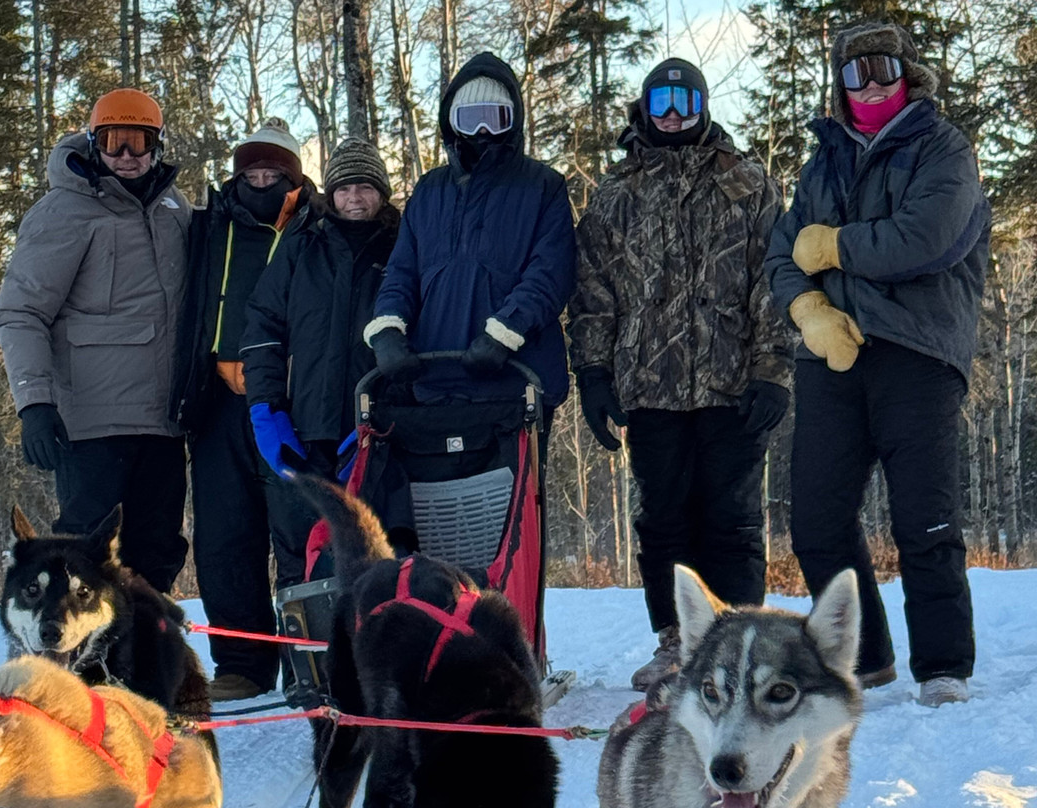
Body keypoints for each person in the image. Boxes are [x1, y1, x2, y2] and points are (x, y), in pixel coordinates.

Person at [766, 22, 990, 707]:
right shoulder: (821, 162)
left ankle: (943, 666)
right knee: (816, 522)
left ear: (906, 71)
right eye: (855, 73)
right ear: (838, 84)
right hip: (832, 356)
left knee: (923, 519)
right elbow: (782, 252)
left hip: (917, 351)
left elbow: (927, 237)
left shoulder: (942, 147)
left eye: (882, 67)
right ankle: (865, 658)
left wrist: (834, 247)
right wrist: (807, 310)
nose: (870, 84)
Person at [568, 58, 790, 692]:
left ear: (703, 106)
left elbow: (772, 281)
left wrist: (773, 369)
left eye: (684, 101)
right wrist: (593, 373)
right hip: (649, 386)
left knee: (733, 519)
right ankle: (677, 641)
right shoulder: (615, 192)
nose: (672, 113)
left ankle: (743, 639)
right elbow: (594, 292)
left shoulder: (747, 182)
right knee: (664, 518)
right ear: (644, 108)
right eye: (660, 101)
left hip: (733, 384)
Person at [0, 88, 191, 593]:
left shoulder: (175, 209)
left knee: (157, 550)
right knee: (84, 555)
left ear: (157, 145)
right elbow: (20, 311)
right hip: (93, 422)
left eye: (138, 142)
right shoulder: (65, 210)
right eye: (112, 142)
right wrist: (34, 402)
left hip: (165, 420)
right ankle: (73, 662)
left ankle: (143, 661)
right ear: (93, 143)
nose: (126, 156)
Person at [172, 119, 321, 701]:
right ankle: (241, 662)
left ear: (293, 175)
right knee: (224, 537)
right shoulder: (206, 228)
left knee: (297, 533)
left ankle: (308, 658)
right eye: (252, 171)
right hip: (216, 404)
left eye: (273, 171)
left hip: (288, 401)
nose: (261, 179)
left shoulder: (315, 225)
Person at [362, 52, 576, 448]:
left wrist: (505, 332)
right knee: (436, 507)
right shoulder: (429, 191)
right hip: (435, 380)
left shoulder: (542, 186)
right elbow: (402, 272)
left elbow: (551, 272)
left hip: (514, 382)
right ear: (450, 122)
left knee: (516, 506)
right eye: (468, 118)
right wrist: (388, 330)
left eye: (494, 118)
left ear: (513, 119)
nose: (481, 130)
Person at [240, 136, 399, 578]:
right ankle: (304, 648)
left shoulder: (402, 247)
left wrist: (388, 414)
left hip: (376, 435)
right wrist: (268, 410)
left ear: (381, 193)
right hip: (305, 433)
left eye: (365, 187)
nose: (354, 198)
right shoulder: (301, 245)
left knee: (377, 561)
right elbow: (262, 328)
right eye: (345, 188)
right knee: (301, 563)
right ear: (330, 194)